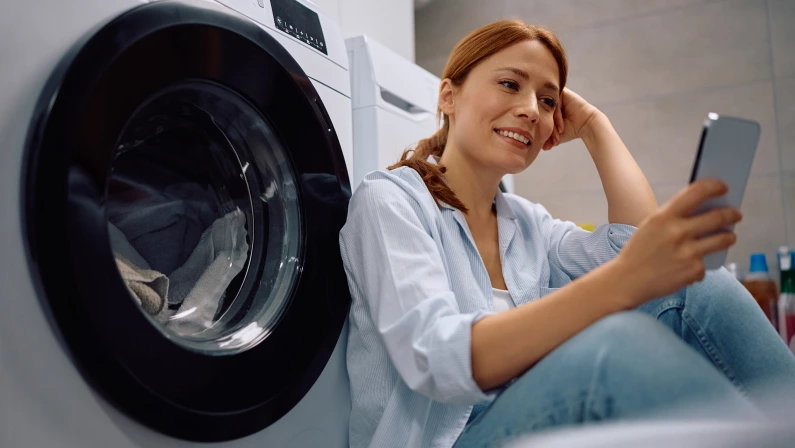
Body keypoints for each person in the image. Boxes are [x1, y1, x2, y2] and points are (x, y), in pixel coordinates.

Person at [338, 19, 795, 448]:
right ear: (448, 96)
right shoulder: (391, 201)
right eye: (510, 84)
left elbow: (635, 249)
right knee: (614, 348)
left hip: (526, 418)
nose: (530, 110)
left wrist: (596, 127)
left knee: (698, 283)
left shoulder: (527, 223)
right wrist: (621, 283)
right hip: (444, 440)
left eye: (548, 101)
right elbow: (436, 359)